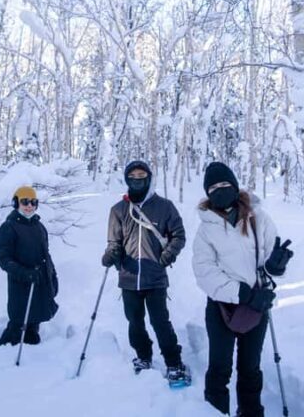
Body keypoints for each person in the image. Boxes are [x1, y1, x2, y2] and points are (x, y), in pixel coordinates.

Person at [192, 162, 294, 416]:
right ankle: (215, 412)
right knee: (220, 368)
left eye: (225, 185)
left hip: (257, 308)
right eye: (213, 188)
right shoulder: (205, 229)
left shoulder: (260, 219)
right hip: (221, 308)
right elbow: (205, 273)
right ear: (207, 193)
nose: (220, 191)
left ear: (235, 187)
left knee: (250, 368)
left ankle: (250, 412)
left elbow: (267, 263)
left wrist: (275, 266)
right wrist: (244, 294)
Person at [101, 160, 190, 385]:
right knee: (135, 322)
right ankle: (143, 356)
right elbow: (114, 242)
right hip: (129, 277)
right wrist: (110, 255)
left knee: (160, 321)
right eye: (133, 175)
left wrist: (167, 255)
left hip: (155, 276)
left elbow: (179, 235)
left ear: (149, 178)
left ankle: (174, 362)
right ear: (127, 179)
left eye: (142, 175)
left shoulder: (164, 206)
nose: (137, 179)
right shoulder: (118, 210)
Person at [0, 186, 59, 346]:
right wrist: (24, 273)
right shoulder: (8, 227)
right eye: (25, 201)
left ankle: (32, 354)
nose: (29, 205)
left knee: (35, 318)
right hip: (21, 284)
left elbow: (46, 254)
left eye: (33, 202)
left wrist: (52, 275)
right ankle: (3, 353)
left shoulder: (39, 226)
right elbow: (3, 259)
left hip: (40, 281)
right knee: (19, 320)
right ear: (16, 203)